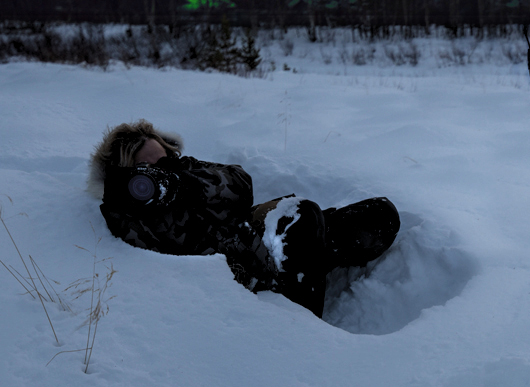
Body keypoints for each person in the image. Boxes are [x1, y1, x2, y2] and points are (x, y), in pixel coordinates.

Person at [88, 120, 400, 318]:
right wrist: (128, 195)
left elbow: (241, 185)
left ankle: (309, 259)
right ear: (129, 177)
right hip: (233, 268)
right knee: (301, 217)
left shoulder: (187, 171)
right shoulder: (131, 214)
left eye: (165, 159)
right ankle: (302, 327)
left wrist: (186, 181)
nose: (161, 171)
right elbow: (143, 249)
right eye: (148, 169)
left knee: (378, 214)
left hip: (255, 235)